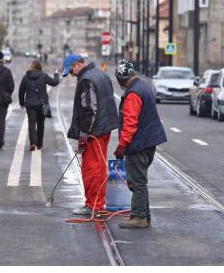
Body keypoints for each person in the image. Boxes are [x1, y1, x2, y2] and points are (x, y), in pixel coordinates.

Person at [62, 54, 119, 215]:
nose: (72, 75)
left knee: (91, 168)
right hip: (104, 129)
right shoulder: (100, 74)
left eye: (71, 71)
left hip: (94, 132)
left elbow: (89, 109)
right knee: (100, 167)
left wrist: (83, 135)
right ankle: (99, 203)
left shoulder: (86, 80)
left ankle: (92, 204)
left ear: (77, 65)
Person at [113, 59, 167, 228]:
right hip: (149, 141)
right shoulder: (143, 86)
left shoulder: (133, 94)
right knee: (140, 180)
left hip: (139, 144)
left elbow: (130, 123)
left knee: (136, 181)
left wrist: (122, 146)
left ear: (122, 79)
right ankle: (144, 214)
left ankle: (139, 217)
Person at [18, 60, 59, 151]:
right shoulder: (43, 76)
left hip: (30, 104)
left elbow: (21, 91)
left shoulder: (26, 77)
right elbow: (54, 82)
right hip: (42, 104)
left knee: (31, 124)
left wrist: (22, 103)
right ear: (40, 67)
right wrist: (56, 74)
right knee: (41, 124)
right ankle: (39, 144)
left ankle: (33, 143)